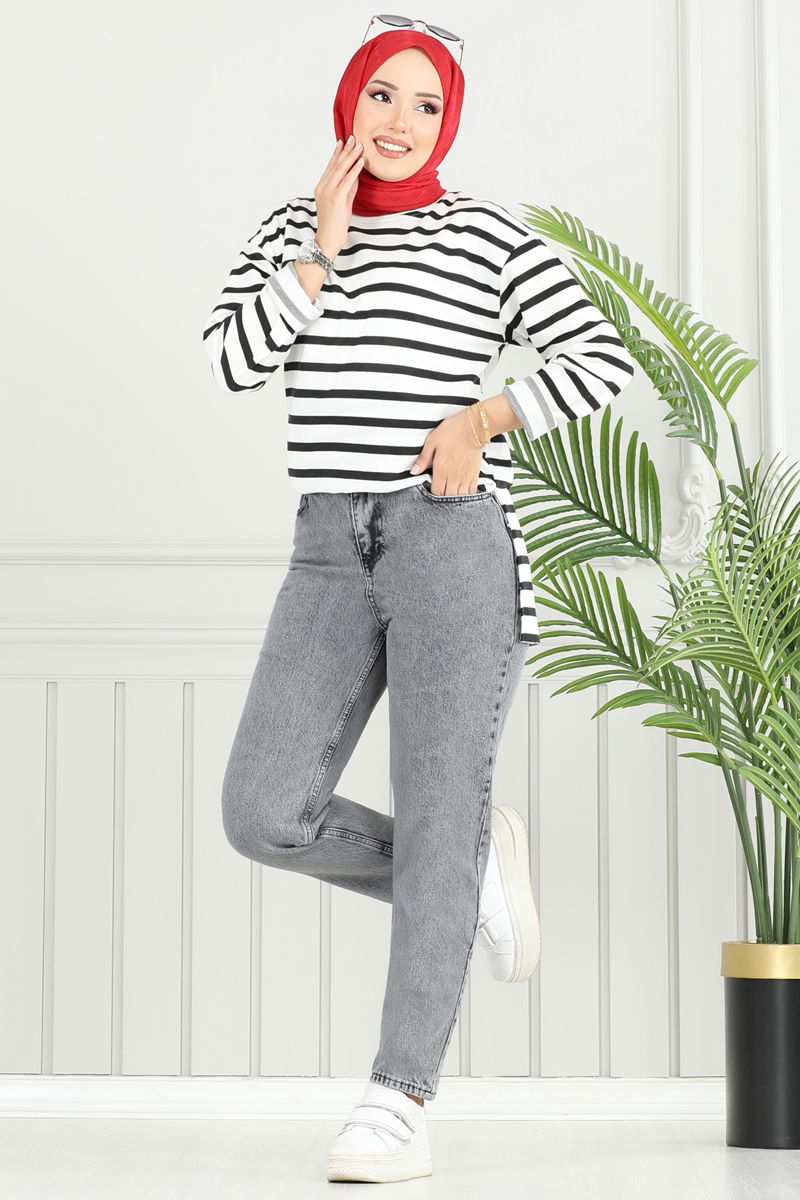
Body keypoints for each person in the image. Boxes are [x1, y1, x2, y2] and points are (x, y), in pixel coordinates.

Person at [201, 17, 636, 1185]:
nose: (400, 121)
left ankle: (397, 1100)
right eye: (381, 95)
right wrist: (319, 251)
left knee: (439, 809)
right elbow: (234, 363)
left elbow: (599, 359)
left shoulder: (487, 235)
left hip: (452, 541)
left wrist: (480, 418)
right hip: (326, 548)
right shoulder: (288, 231)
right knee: (261, 810)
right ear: (348, 102)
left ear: (449, 121)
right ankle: (469, 866)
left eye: (425, 104)